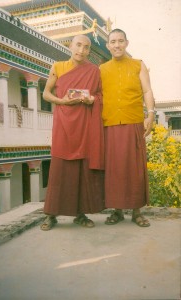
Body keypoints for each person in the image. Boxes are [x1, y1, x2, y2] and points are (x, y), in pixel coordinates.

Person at [40, 35, 105, 230]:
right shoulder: (58, 66)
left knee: (82, 169)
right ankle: (51, 215)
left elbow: (101, 94)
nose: (82, 50)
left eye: (86, 47)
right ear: (70, 45)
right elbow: (46, 93)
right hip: (64, 122)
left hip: (85, 124)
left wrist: (92, 99)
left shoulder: (94, 71)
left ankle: (81, 214)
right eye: (78, 45)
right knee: (59, 168)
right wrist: (62, 102)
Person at [100, 29, 155, 227]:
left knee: (134, 169)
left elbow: (147, 90)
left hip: (133, 122)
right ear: (108, 45)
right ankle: (117, 211)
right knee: (114, 169)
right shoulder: (102, 69)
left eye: (120, 41)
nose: (117, 45)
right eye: (113, 41)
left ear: (127, 43)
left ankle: (137, 211)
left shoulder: (138, 65)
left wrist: (150, 113)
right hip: (111, 123)